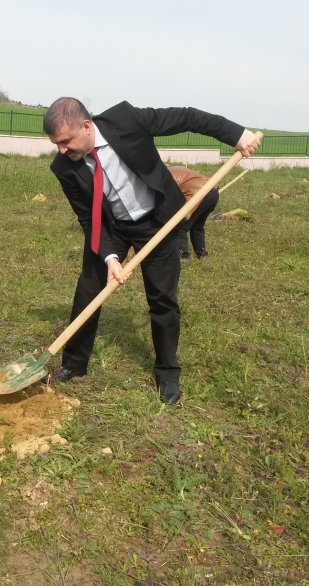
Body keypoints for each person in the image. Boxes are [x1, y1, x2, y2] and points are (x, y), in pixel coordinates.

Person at [42, 97, 260, 404]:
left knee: (162, 299)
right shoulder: (64, 166)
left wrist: (236, 134)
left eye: (65, 141)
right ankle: (74, 364)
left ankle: (167, 373)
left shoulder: (126, 120)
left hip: (158, 220)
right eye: (56, 144)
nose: (62, 150)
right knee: (88, 289)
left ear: (87, 126)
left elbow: (188, 117)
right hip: (111, 225)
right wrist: (109, 257)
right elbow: (87, 217)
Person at [168, 166, 219, 260]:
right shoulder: (176, 169)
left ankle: (183, 255)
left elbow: (169, 198)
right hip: (213, 190)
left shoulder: (165, 176)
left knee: (181, 226)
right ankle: (202, 254)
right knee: (197, 226)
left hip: (198, 193)